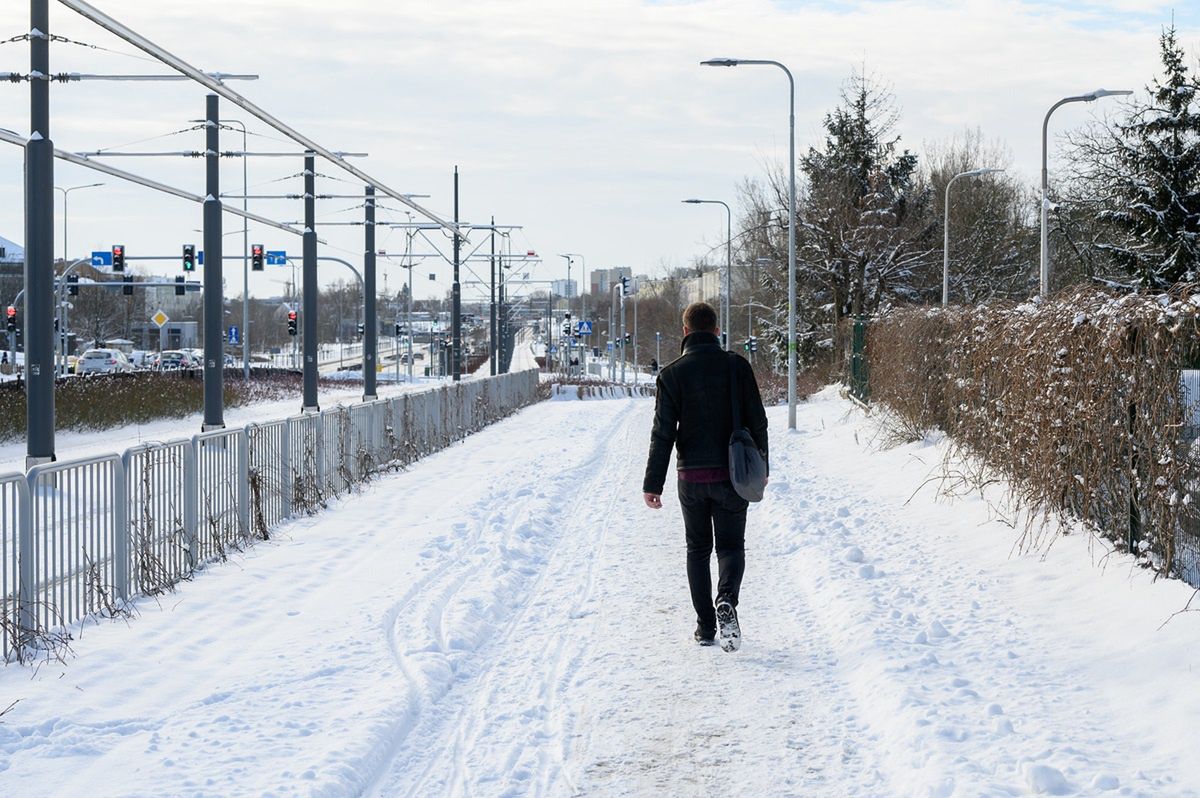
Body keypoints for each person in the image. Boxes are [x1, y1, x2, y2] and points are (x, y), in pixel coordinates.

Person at [642, 301, 768, 652]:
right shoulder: (737, 366)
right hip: (733, 473)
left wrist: (653, 483)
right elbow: (758, 420)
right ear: (717, 330)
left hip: (691, 477)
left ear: (685, 331)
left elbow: (663, 433)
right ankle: (726, 598)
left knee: (698, 549)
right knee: (731, 546)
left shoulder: (671, 374)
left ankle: (705, 626)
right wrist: (762, 466)